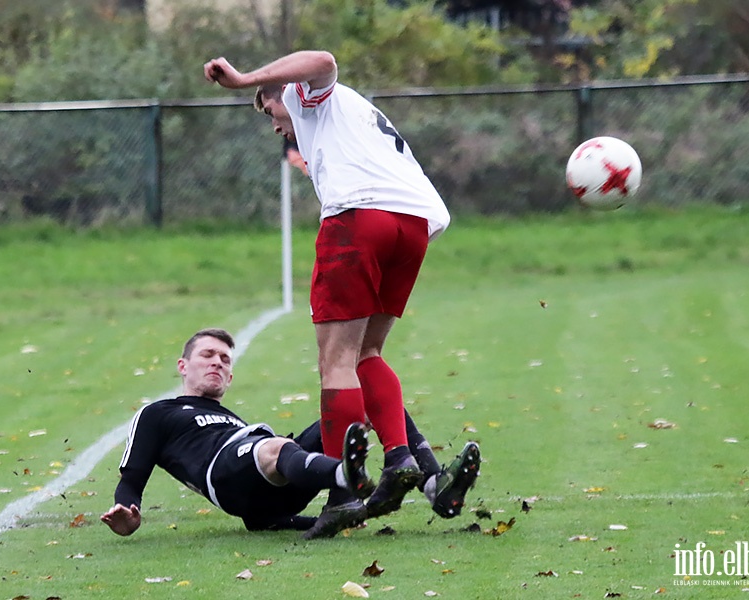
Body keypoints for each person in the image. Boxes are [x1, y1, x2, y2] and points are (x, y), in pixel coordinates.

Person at [203, 50, 451, 536]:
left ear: (284, 94)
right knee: (367, 353)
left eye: (268, 109)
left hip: (359, 219)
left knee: (334, 362)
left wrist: (243, 79)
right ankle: (401, 458)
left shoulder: (307, 96)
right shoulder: (350, 117)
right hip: (413, 227)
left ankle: (342, 493)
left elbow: (323, 59)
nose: (275, 124)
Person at [101, 328, 480, 541]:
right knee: (272, 447)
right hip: (227, 474)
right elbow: (132, 477)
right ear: (183, 366)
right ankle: (345, 478)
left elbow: (260, 517)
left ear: (230, 378)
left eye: (225, 360)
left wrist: (304, 522)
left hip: (269, 495)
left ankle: (434, 484)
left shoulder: (231, 419)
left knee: (368, 402)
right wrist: (127, 511)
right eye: (208, 355)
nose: (217, 362)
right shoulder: (159, 413)